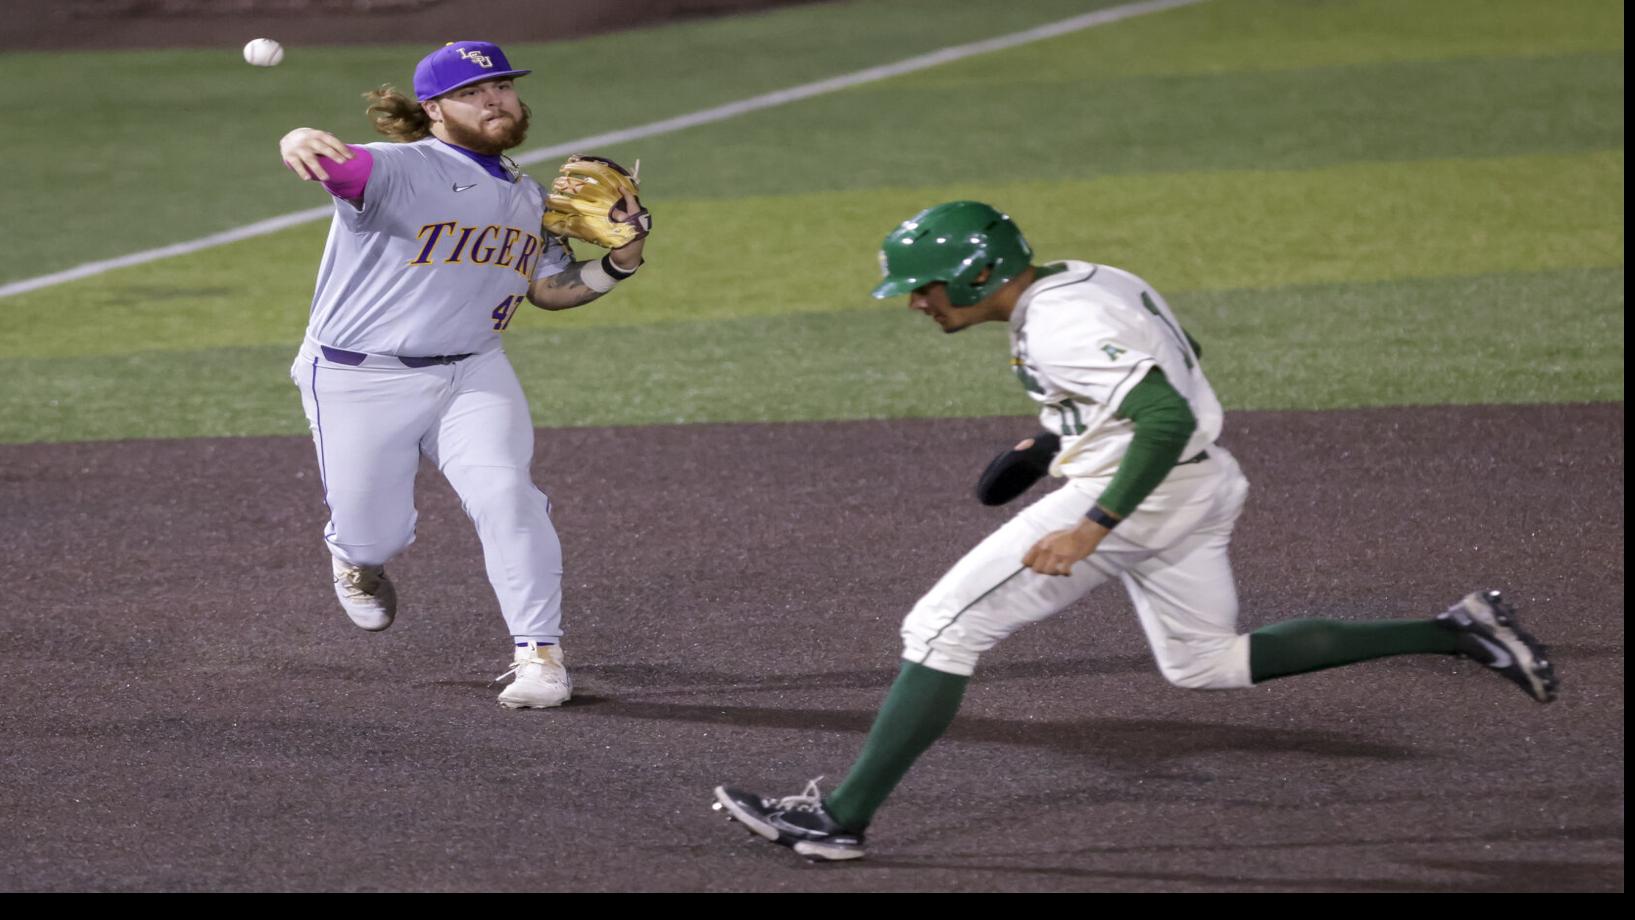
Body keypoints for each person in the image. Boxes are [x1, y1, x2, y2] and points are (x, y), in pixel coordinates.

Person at [711, 201, 1557, 860]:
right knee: (1204, 662)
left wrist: (1091, 524)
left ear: (973, 278)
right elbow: (1174, 353)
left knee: (940, 627)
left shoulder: (1061, 320)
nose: (916, 306)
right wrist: (1054, 440)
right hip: (1198, 485)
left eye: (923, 290)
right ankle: (1457, 632)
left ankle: (839, 819)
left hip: (1139, 493)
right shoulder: (1089, 279)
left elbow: (1154, 418)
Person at [278, 41, 650, 709]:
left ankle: (540, 656)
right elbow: (338, 167)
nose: (494, 99)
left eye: (502, 86)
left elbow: (551, 290)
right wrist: (297, 136)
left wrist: (623, 261)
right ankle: (354, 557)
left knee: (510, 498)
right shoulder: (397, 167)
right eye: (473, 92)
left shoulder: (527, 196)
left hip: (474, 372)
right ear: (433, 109)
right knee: (375, 535)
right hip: (359, 380)